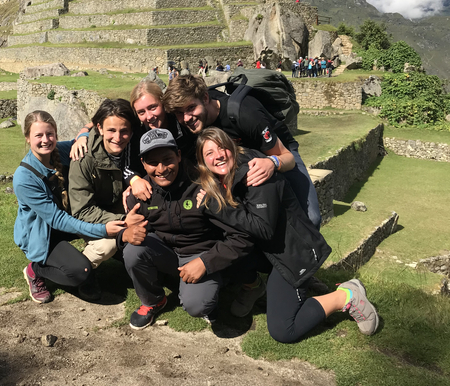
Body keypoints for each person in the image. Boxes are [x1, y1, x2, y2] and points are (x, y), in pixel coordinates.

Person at [195, 127, 380, 342]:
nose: (218, 155)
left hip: (293, 253)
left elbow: (263, 229)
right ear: (202, 161)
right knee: (226, 253)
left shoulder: (255, 174)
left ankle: (346, 296)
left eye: (222, 147)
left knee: (284, 330)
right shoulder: (223, 179)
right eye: (209, 153)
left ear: (232, 147)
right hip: (270, 252)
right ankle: (255, 287)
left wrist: (219, 207)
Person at [118, 129, 255, 329]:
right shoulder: (140, 192)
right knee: (132, 249)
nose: (161, 169)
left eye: (167, 159)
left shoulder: (205, 185)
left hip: (200, 253)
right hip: (166, 253)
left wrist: (206, 263)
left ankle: (214, 284)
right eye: (153, 163)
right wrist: (125, 233)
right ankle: (153, 300)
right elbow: (124, 230)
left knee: (197, 305)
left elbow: (242, 236)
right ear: (143, 163)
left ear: (179, 155)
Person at [162, 74, 322, 230]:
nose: (186, 118)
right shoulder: (188, 123)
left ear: (205, 98)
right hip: (239, 162)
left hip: (275, 150)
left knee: (311, 218)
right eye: (179, 113)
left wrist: (272, 162)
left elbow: (287, 158)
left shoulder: (244, 113)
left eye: (191, 108)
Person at [13, 111, 126, 303]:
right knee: (79, 273)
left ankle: (83, 263)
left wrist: (82, 135)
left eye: (50, 134)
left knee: (114, 241)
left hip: (71, 220)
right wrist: (101, 228)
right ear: (27, 138)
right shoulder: (24, 178)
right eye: (38, 135)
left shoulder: (64, 150)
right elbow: (57, 220)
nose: (45, 140)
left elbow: (97, 126)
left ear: (56, 134)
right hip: (44, 234)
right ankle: (36, 270)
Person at [68, 99, 146, 278]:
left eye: (124, 131)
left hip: (122, 208)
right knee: (106, 246)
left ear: (132, 131)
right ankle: (80, 272)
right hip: (93, 218)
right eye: (111, 130)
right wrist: (124, 221)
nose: (117, 138)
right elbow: (82, 210)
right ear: (100, 128)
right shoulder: (83, 157)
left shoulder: (137, 146)